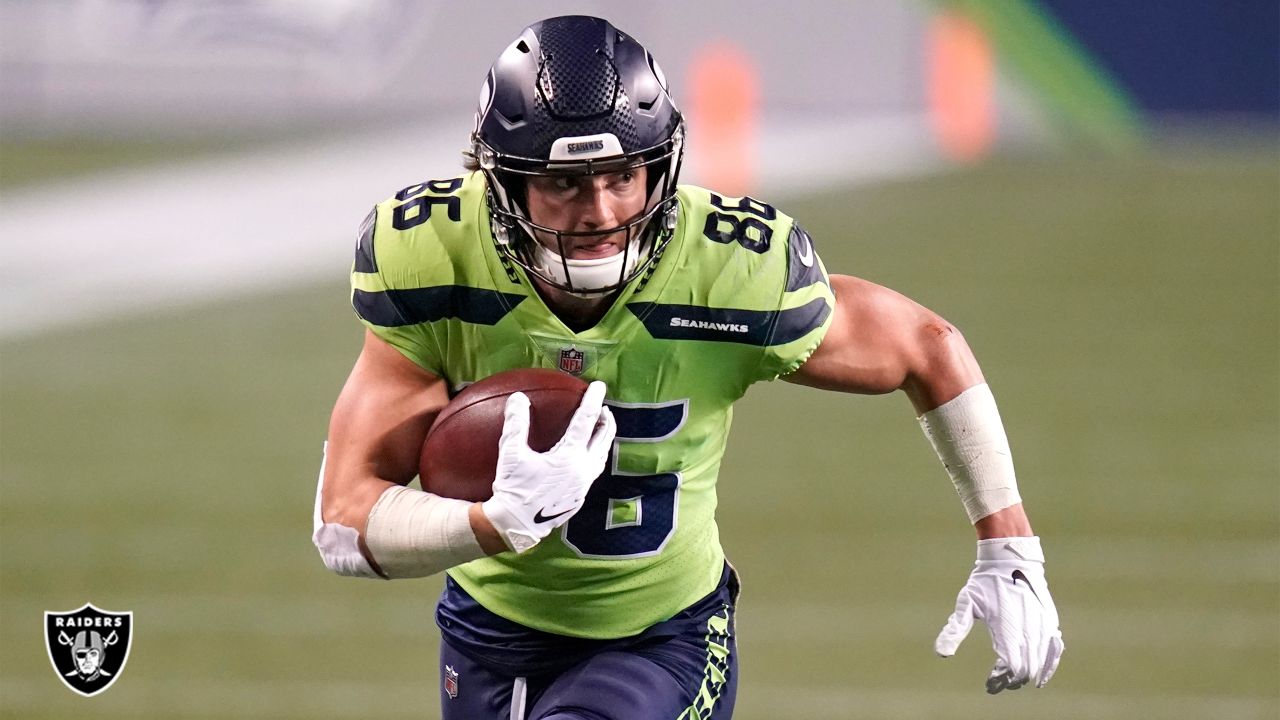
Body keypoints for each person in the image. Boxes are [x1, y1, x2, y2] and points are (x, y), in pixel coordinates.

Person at [312, 14, 1064, 720]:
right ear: (503, 185)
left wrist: (1010, 541)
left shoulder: (729, 272)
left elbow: (926, 346)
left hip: (663, 639)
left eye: (621, 176)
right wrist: (487, 523)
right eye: (564, 183)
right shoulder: (435, 261)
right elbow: (343, 523)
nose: (600, 210)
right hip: (487, 633)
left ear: (660, 167)